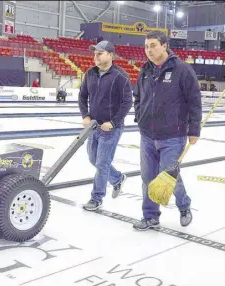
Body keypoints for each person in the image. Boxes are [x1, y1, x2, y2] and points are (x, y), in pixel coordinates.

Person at [132, 30, 202, 230]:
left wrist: (194, 130)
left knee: (169, 175)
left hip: (173, 135)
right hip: (147, 135)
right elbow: (138, 97)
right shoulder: (144, 70)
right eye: (146, 46)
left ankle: (183, 206)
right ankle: (150, 216)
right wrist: (141, 118)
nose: (149, 50)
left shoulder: (182, 70)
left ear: (164, 45)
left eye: (153, 45)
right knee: (147, 178)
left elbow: (194, 102)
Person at [78, 40, 133, 211]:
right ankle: (117, 179)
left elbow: (127, 102)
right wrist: (85, 115)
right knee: (93, 159)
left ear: (110, 55)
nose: (95, 57)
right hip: (94, 126)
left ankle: (97, 198)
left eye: (99, 53)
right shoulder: (90, 73)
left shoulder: (120, 76)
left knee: (102, 163)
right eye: (94, 53)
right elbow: (82, 96)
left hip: (111, 128)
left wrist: (113, 122)